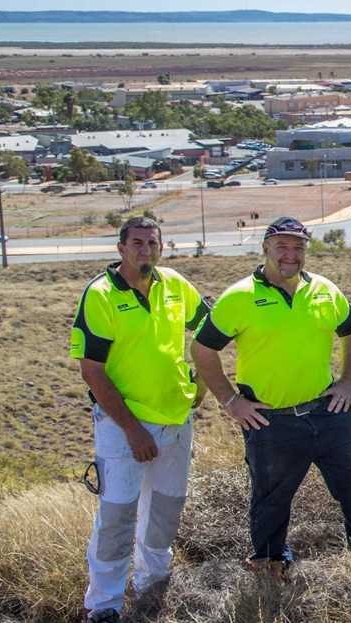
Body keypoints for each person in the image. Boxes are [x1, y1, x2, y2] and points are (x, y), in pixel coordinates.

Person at [191, 217, 351, 579]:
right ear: (266, 248)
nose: (290, 255)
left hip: (327, 411)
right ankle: (271, 564)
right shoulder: (239, 297)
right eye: (282, 247)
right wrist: (231, 402)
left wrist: (348, 381)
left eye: (298, 247)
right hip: (271, 420)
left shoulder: (324, 290)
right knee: (271, 500)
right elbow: (202, 350)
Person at [72, 217, 206, 623]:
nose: (145, 249)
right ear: (120, 248)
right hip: (122, 425)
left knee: (165, 510)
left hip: (175, 420)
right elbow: (91, 369)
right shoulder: (100, 295)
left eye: (152, 242)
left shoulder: (175, 285)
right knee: (117, 516)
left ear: (161, 247)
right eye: (136, 242)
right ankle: (104, 604)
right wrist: (131, 429)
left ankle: (153, 585)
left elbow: (209, 332)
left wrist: (199, 387)